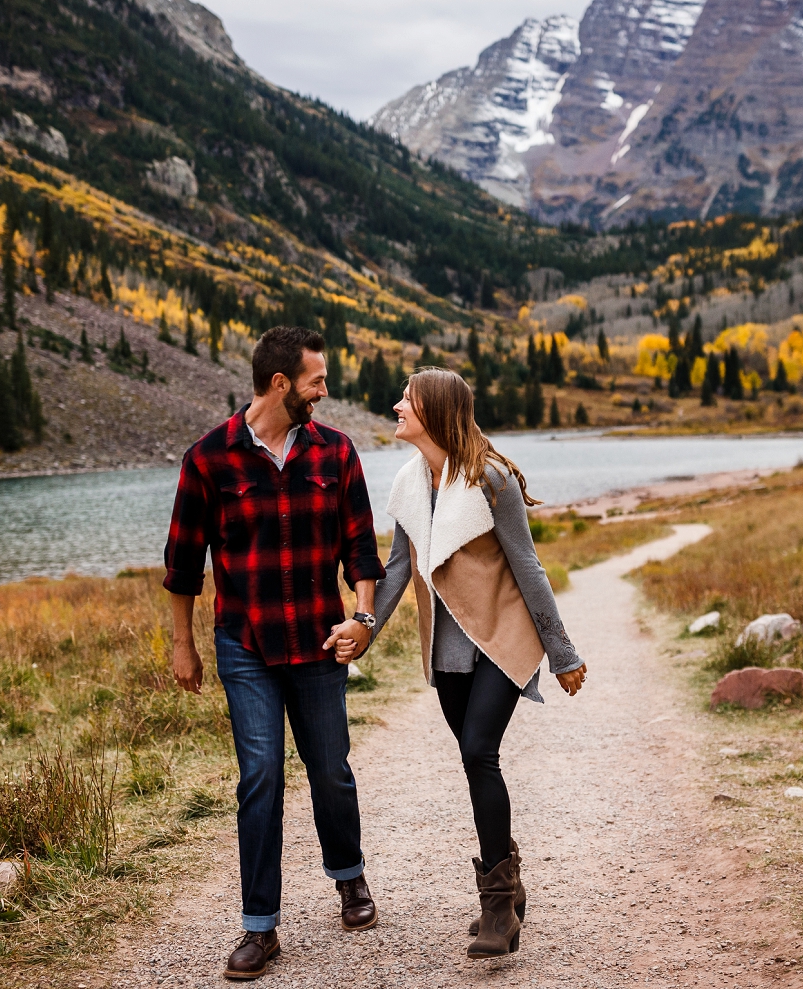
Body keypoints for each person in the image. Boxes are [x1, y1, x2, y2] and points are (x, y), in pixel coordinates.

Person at [330, 366, 586, 960]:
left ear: (435, 412)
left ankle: (497, 905)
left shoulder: (490, 479)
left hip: (502, 639)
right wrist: (366, 626)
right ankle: (510, 883)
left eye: (407, 401)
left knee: (479, 751)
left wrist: (562, 651)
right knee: (477, 764)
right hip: (446, 649)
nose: (396, 407)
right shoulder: (409, 483)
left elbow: (529, 568)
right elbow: (397, 569)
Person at [163, 326, 386, 981]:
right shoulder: (208, 459)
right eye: (316, 379)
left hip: (319, 640)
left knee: (330, 770)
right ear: (281, 382)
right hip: (245, 644)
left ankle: (348, 876)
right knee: (259, 776)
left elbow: (361, 551)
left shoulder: (335, 452)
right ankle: (260, 927)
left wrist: (363, 617)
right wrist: (184, 645)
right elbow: (182, 567)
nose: (325, 389)